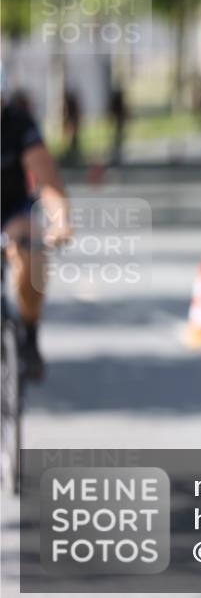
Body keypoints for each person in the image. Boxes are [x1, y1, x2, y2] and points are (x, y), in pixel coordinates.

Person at [1, 79, 73, 381]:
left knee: (32, 249)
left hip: (12, 209)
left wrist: (60, 220)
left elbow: (48, 182)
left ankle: (29, 334)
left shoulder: (17, 124)